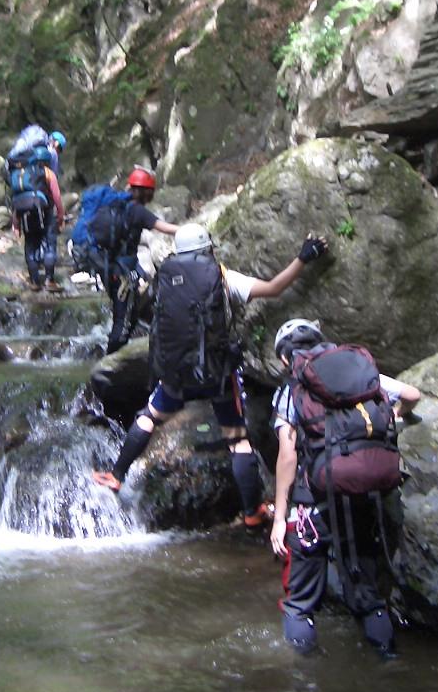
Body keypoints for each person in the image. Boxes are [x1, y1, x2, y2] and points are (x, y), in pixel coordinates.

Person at [91, 226, 331, 530]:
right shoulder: (221, 277)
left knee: (150, 416)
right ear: (207, 249)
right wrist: (303, 257)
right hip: (217, 373)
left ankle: (116, 475)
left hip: (176, 370)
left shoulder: (166, 277)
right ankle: (251, 512)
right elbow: (273, 288)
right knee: (237, 439)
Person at [268, 318, 421, 658]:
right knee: (369, 597)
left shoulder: (292, 388)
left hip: (314, 502)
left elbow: (288, 455)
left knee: (299, 604)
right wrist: (395, 415)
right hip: (362, 498)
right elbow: (412, 394)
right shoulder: (358, 373)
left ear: (284, 358)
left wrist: (279, 518)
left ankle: (304, 674)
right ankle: (388, 660)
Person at [100, 166, 178, 354]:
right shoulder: (138, 211)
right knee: (123, 322)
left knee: (129, 314)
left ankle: (114, 357)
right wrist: (194, 231)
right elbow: (164, 227)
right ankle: (109, 362)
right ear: (146, 192)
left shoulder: (116, 205)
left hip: (107, 267)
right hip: (123, 273)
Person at [7, 144, 65, 291]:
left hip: (25, 213)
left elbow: (16, 199)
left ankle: (34, 281)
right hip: (45, 213)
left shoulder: (22, 175)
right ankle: (49, 281)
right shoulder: (48, 173)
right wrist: (60, 216)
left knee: (30, 245)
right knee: (49, 245)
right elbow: (57, 197)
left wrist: (16, 224)